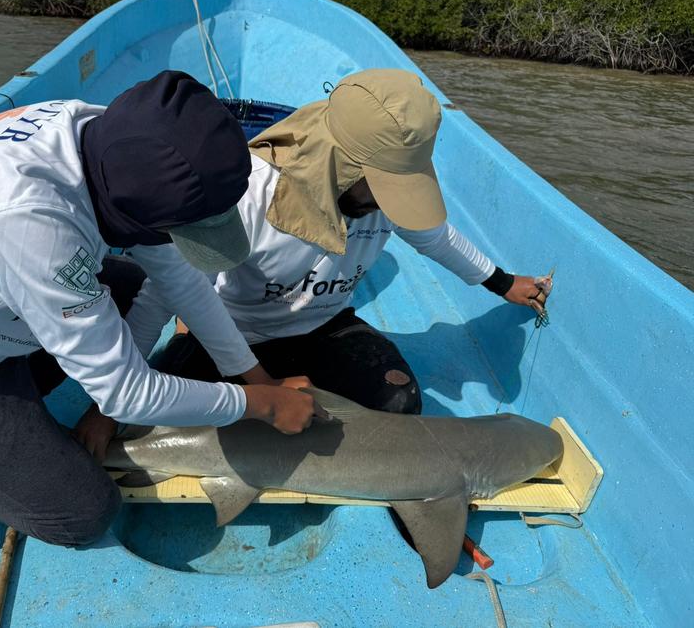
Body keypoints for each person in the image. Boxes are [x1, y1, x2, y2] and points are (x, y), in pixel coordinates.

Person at [0, 71, 324, 545]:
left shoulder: (105, 138)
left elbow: (181, 279)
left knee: (131, 287)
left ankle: (16, 412)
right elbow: (128, 397)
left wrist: (258, 379)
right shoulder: (28, 223)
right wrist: (257, 407)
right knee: (81, 514)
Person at [149, 69, 550, 414]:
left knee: (400, 400)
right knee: (161, 405)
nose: (389, 204)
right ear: (337, 164)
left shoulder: (389, 202)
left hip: (323, 325)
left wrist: (503, 282)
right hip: (235, 331)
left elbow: (436, 239)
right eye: (383, 187)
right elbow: (171, 286)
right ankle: (190, 339)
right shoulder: (247, 191)